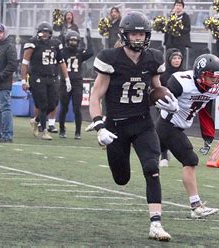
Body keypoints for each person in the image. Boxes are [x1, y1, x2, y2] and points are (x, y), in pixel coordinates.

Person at [90, 11, 173, 241]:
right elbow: (96, 96)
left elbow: (156, 88)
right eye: (134, 34)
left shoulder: (153, 58)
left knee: (151, 169)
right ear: (124, 35)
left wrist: (167, 102)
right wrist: (99, 127)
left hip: (143, 123)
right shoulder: (111, 58)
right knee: (121, 178)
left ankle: (156, 224)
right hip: (116, 126)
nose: (138, 38)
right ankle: (107, 143)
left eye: (142, 34)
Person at [156, 54, 219, 219]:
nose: (214, 82)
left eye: (216, 78)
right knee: (190, 159)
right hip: (167, 125)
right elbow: (160, 98)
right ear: (199, 74)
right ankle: (196, 206)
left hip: (178, 127)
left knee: (150, 160)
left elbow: (206, 110)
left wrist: (208, 134)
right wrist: (167, 103)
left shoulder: (213, 88)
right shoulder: (181, 82)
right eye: (210, 77)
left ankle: (195, 206)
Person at [21, 22, 70, 140]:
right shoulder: (32, 43)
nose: (44, 35)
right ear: (38, 32)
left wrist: (67, 78)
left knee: (53, 104)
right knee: (43, 105)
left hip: (52, 77)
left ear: (50, 33)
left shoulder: (55, 44)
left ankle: (36, 120)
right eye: (42, 32)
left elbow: (61, 61)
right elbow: (25, 63)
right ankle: (44, 131)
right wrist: (24, 80)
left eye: (47, 32)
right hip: (37, 77)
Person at [59, 29, 93, 139]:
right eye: (71, 40)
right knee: (64, 107)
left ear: (78, 41)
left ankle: (78, 132)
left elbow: (91, 52)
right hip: (65, 82)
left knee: (76, 108)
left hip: (77, 82)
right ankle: (62, 130)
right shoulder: (63, 52)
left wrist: (89, 38)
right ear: (67, 41)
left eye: (75, 40)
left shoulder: (80, 52)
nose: (73, 42)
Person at [158, 48, 185, 167]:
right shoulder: (163, 74)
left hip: (180, 107)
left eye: (179, 58)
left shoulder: (185, 74)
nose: (177, 60)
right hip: (164, 105)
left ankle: (172, 150)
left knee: (175, 130)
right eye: (174, 58)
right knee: (162, 130)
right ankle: (163, 155)